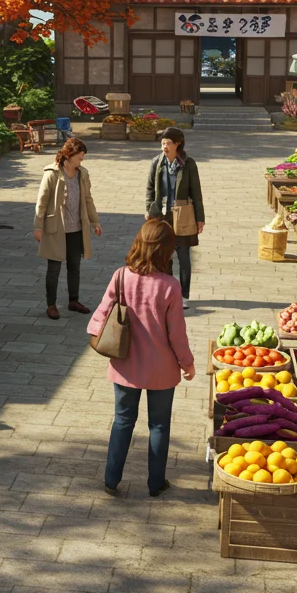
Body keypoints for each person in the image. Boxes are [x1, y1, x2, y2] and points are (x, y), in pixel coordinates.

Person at [88, 218, 195, 497]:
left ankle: (111, 480)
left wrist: (95, 336)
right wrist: (188, 363)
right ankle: (155, 483)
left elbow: (100, 316)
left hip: (125, 365)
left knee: (122, 420)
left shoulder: (121, 275)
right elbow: (177, 335)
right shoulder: (170, 286)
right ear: (166, 251)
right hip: (162, 369)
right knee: (159, 425)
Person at [34, 138, 102, 320]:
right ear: (70, 156)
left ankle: (73, 300)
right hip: (56, 228)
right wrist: (38, 226)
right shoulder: (52, 173)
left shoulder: (82, 174)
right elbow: (41, 202)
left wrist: (95, 222)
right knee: (54, 268)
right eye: (80, 157)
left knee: (75, 267)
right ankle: (51, 305)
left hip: (77, 228)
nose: (82, 161)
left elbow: (88, 199)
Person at [144, 127, 204, 308]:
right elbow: (150, 188)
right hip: (161, 215)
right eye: (163, 143)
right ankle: (166, 294)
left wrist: (200, 218)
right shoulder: (157, 163)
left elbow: (197, 193)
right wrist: (148, 208)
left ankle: (184, 295)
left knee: (184, 257)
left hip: (183, 214)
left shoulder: (188, 164)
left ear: (178, 144)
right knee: (162, 255)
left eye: (168, 143)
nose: (164, 147)